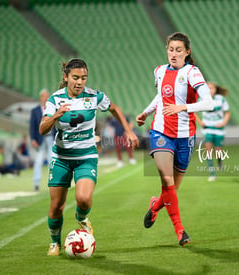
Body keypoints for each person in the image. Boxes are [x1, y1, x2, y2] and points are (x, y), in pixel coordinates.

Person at [39, 58, 139, 256]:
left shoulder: (94, 96)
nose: (80, 82)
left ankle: (81, 217)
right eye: (75, 78)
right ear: (66, 77)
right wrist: (55, 116)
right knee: (56, 206)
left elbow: (115, 108)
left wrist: (128, 131)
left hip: (86, 156)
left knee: (84, 199)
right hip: (61, 158)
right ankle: (54, 242)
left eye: (84, 78)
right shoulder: (54, 100)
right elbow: (42, 129)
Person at [136, 32, 214, 247]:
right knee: (167, 180)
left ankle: (155, 206)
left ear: (187, 52)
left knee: (171, 190)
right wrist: (146, 112)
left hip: (185, 135)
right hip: (160, 132)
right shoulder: (159, 71)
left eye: (178, 50)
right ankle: (180, 231)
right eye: (171, 49)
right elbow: (161, 96)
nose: (174, 54)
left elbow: (209, 103)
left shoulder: (192, 72)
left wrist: (183, 107)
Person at [195, 82, 231, 182]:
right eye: (208, 88)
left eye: (212, 88)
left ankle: (220, 161)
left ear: (215, 89)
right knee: (208, 151)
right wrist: (201, 122)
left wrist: (223, 123)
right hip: (207, 128)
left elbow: (227, 113)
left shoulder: (221, 99)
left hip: (219, 129)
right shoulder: (201, 99)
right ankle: (212, 174)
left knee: (218, 151)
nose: (210, 90)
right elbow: (195, 113)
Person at [30, 89, 54, 191]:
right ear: (41, 97)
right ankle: (36, 183)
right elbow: (32, 127)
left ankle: (53, 182)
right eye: (44, 96)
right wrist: (32, 139)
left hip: (50, 138)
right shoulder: (35, 111)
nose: (46, 98)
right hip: (40, 139)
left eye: (47, 96)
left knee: (52, 161)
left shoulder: (52, 109)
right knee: (38, 161)